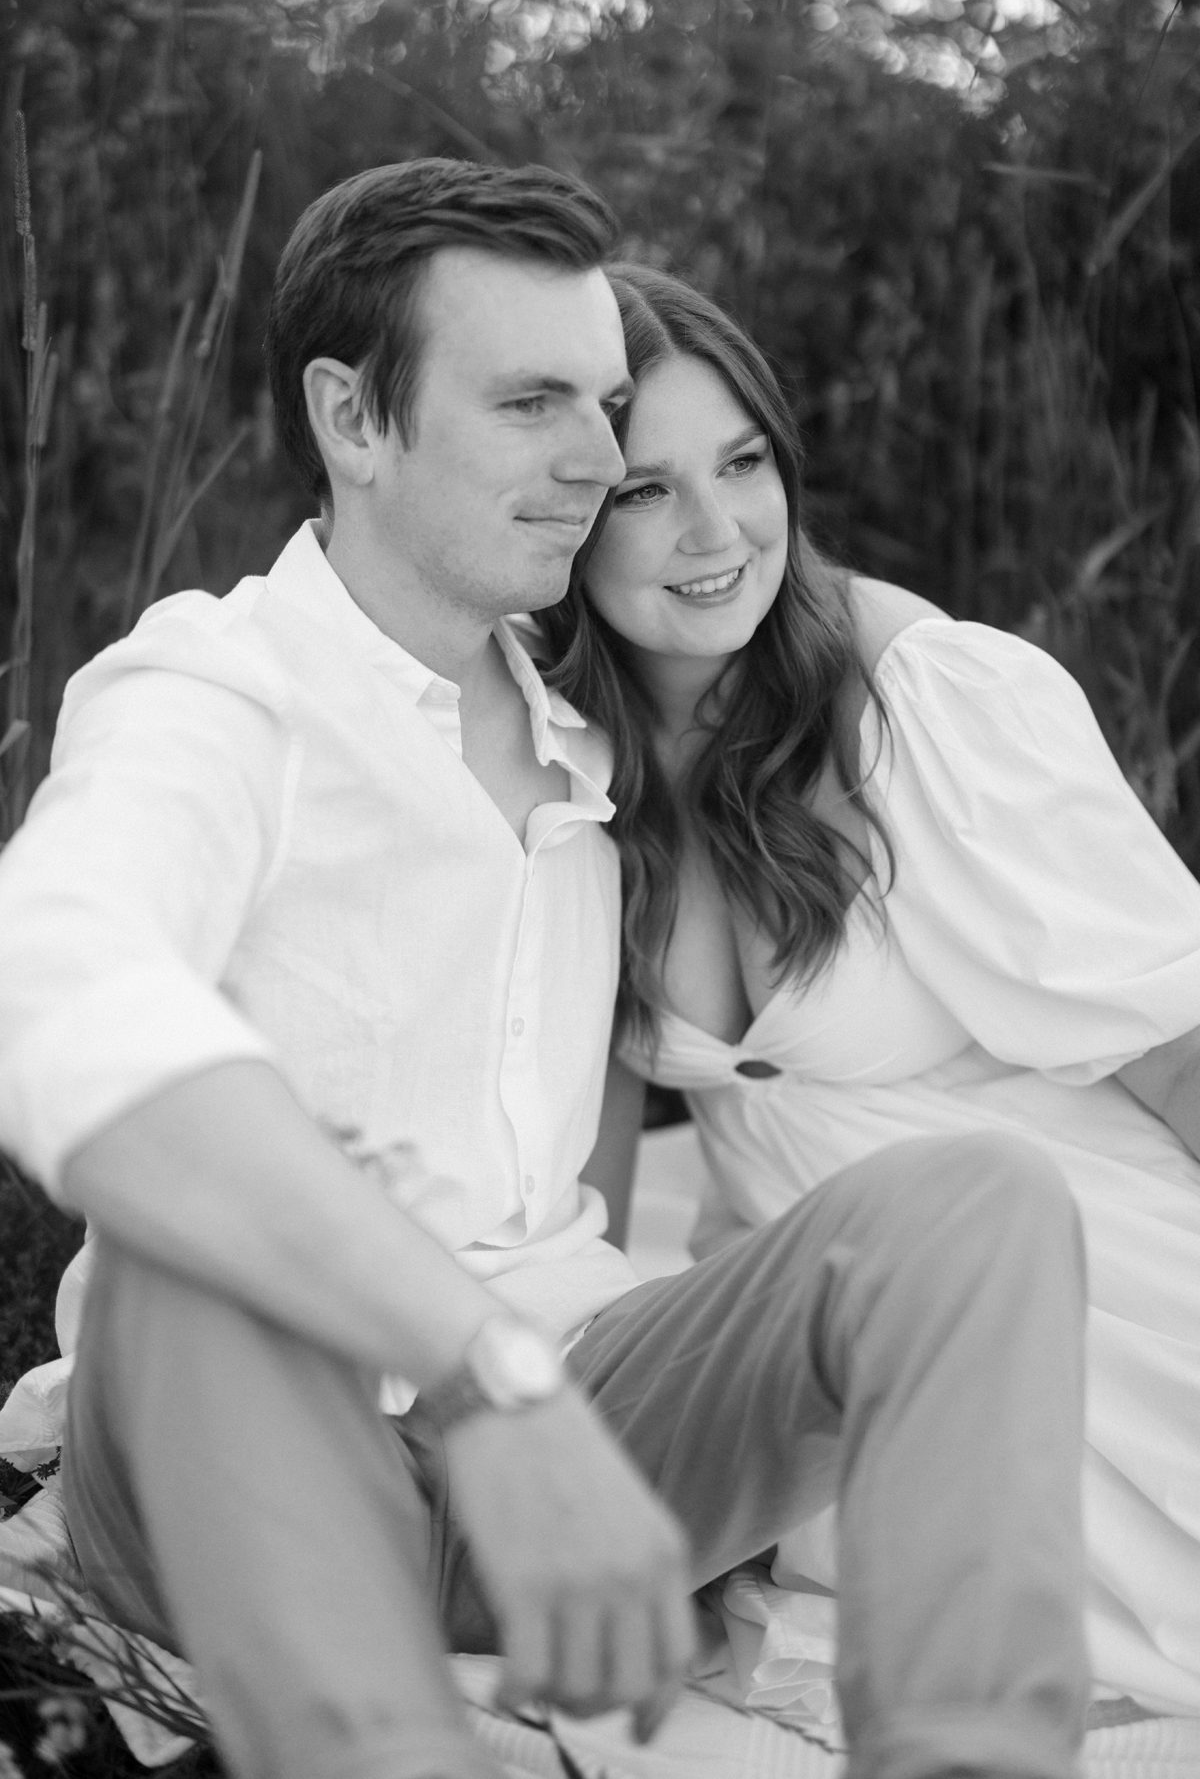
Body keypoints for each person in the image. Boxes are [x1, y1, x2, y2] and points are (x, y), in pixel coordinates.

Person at [0, 163, 1091, 1779]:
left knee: (977, 1202)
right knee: (218, 1238)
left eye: (602, 404)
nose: (594, 461)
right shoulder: (215, 692)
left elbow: (751, 586)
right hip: (248, 1453)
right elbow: (56, 978)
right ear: (352, 420)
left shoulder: (589, 731)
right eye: (528, 404)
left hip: (576, 1437)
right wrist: (481, 1370)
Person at [538, 261, 1200, 1723]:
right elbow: (579, 1162)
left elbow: (1175, 1040)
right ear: (566, 511)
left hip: (1076, 1251)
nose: (718, 532)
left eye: (745, 463)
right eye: (647, 490)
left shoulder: (915, 696)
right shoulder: (557, 753)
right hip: (817, 1305)